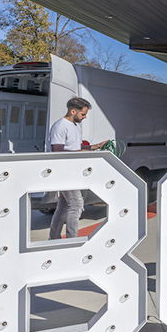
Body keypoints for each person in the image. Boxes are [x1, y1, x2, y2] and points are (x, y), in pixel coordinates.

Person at [48, 97, 108, 240]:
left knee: (63, 207)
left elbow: (75, 146)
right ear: (73, 111)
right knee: (77, 204)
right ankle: (72, 240)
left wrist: (95, 147)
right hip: (63, 171)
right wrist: (80, 153)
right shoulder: (60, 126)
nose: (85, 117)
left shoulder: (75, 125)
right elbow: (56, 151)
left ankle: (54, 239)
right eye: (83, 114)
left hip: (73, 171)